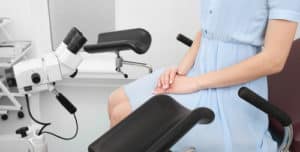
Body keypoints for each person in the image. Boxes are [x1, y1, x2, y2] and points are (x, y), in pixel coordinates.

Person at [107, 0, 300, 151]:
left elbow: (274, 59)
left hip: (233, 94)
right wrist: (180, 70)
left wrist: (196, 83)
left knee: (124, 116)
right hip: (198, 70)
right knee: (116, 100)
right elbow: (207, 30)